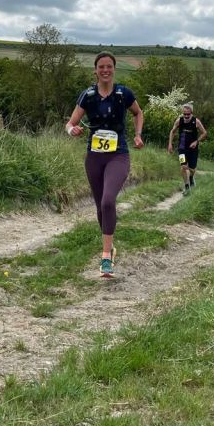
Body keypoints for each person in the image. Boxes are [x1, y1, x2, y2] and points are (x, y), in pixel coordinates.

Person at [65, 52, 144, 277]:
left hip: (118, 155)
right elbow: (70, 123)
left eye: (109, 66)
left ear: (114, 69)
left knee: (109, 200)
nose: (105, 70)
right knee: (101, 206)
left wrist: (138, 135)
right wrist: (73, 131)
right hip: (94, 156)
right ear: (96, 70)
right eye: (101, 67)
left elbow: (138, 113)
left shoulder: (123, 93)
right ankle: (110, 243)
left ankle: (106, 256)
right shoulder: (88, 96)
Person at [168, 102, 207, 195]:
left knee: (192, 169)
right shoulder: (179, 121)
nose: (186, 116)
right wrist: (170, 144)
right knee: (183, 166)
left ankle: (191, 177)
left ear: (191, 113)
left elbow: (204, 133)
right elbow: (172, 132)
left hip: (193, 149)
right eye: (184, 114)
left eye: (188, 114)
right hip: (182, 148)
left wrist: (196, 142)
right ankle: (186, 187)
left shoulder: (196, 121)